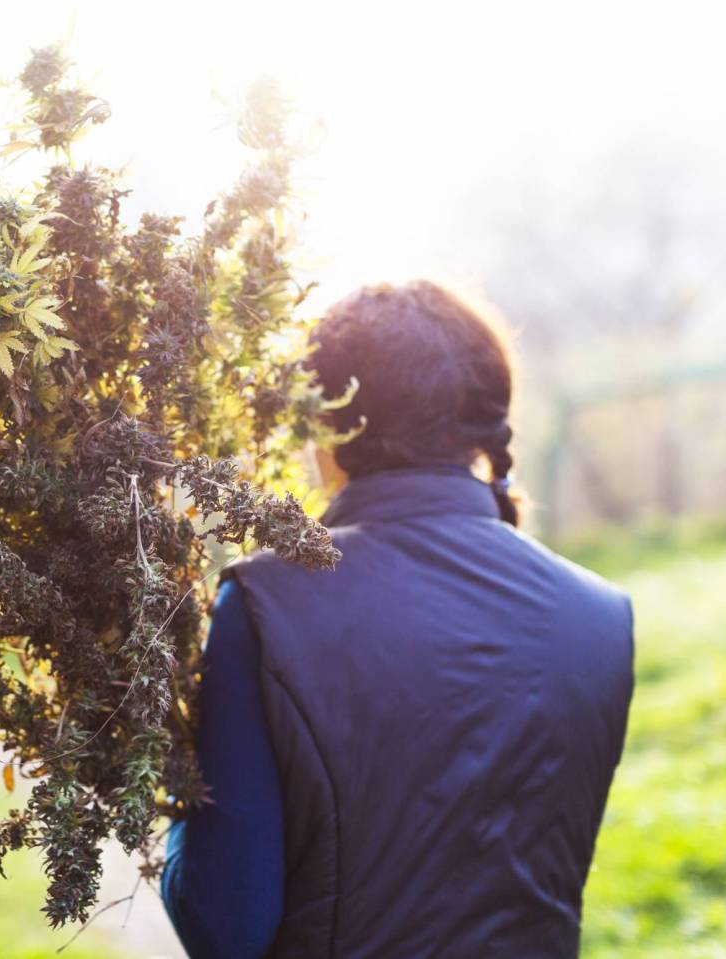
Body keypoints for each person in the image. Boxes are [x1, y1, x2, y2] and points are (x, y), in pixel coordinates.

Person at [160, 280, 635, 958]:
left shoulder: (265, 607)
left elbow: (226, 924)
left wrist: (173, 763)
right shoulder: (602, 617)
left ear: (328, 422)